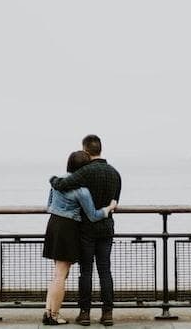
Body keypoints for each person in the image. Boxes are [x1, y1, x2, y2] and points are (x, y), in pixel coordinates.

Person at [50, 135, 121, 326]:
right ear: (100, 149)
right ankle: (107, 314)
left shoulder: (84, 172)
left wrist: (53, 180)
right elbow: (115, 201)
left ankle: (85, 313)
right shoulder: (115, 173)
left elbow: (63, 184)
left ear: (86, 150)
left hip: (86, 229)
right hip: (106, 228)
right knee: (105, 270)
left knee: (86, 271)